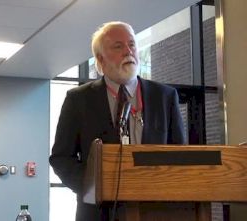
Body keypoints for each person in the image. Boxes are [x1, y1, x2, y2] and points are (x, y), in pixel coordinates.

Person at [49, 21, 186, 221]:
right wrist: (93, 187)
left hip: (155, 210)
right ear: (100, 59)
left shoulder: (165, 96)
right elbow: (61, 158)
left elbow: (179, 153)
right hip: (97, 213)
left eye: (132, 44)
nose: (128, 51)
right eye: (118, 46)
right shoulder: (78, 99)